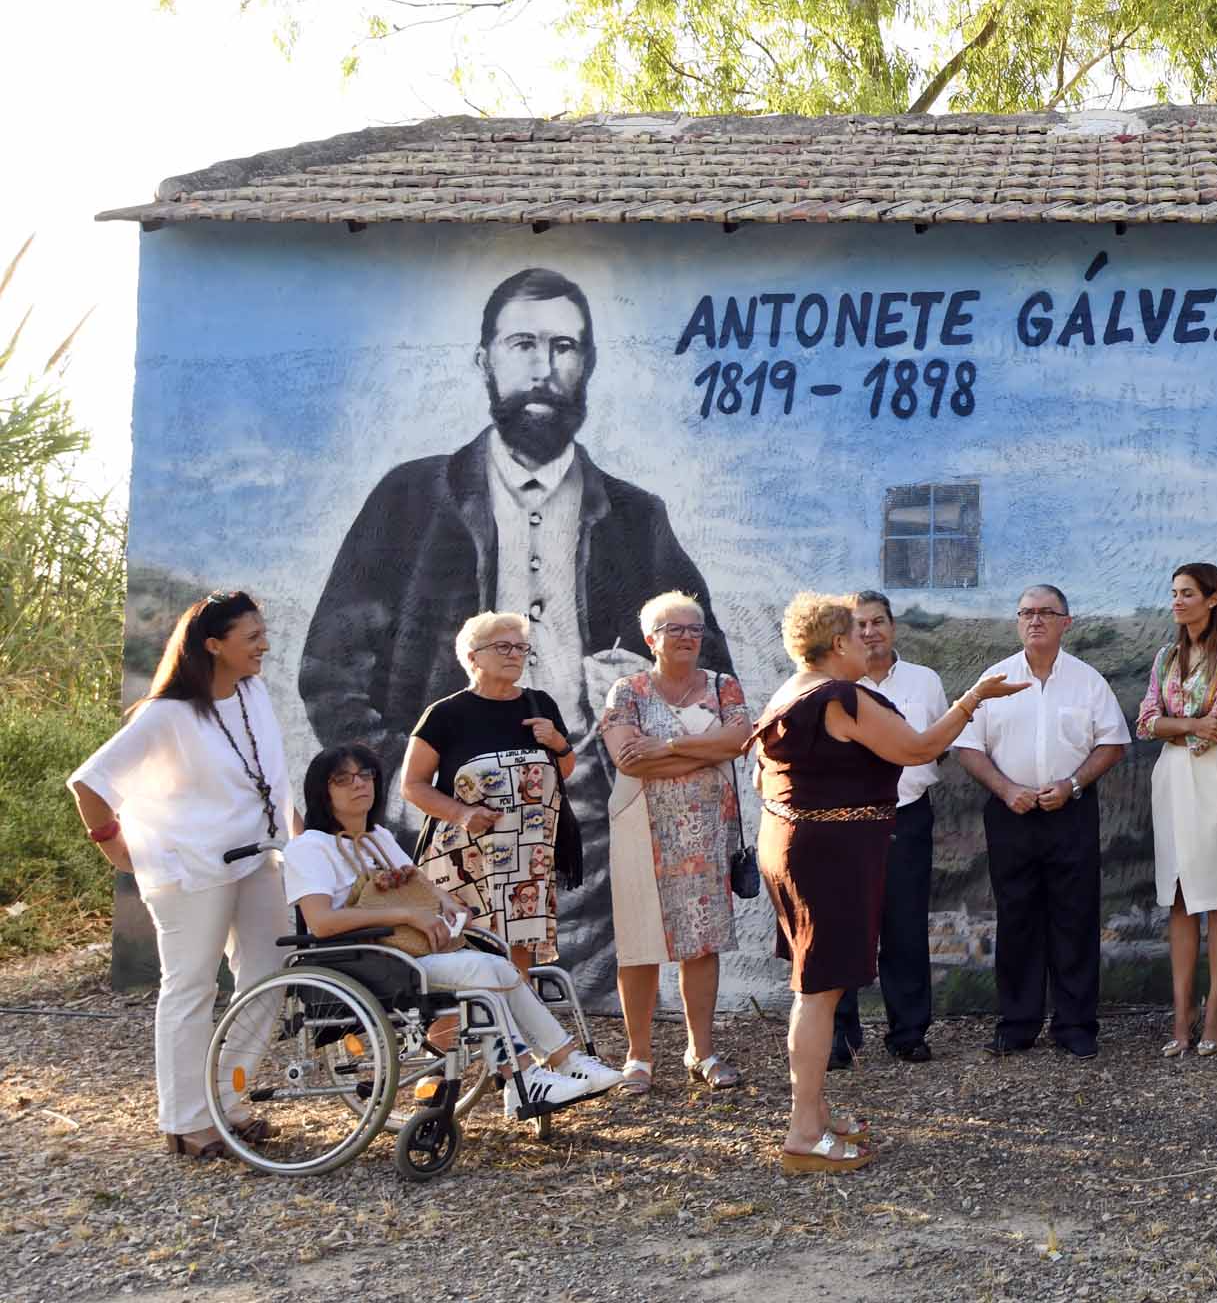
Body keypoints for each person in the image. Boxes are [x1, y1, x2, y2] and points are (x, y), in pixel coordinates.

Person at [301, 265, 732, 993]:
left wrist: (635, 687)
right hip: (451, 822)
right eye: (523, 344)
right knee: (455, 984)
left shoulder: (636, 517)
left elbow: (705, 660)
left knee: (572, 993)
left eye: (565, 347)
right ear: (486, 360)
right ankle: (465, 1087)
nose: (544, 367)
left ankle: (562, 1075)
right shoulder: (412, 497)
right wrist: (405, 792)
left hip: (581, 833)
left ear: (587, 365)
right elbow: (330, 669)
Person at [755, 592, 1018, 1174]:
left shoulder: (790, 690)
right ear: (838, 643)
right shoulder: (840, 696)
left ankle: (816, 1110)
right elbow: (921, 747)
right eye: (856, 632)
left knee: (814, 985)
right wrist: (973, 699)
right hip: (827, 855)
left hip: (792, 844)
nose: (867, 640)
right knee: (818, 991)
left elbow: (762, 778)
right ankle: (803, 1133)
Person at [279, 744, 627, 1117]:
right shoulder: (310, 847)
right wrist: (408, 916)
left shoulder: (378, 838)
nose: (359, 784)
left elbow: (419, 886)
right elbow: (321, 923)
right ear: (322, 790)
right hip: (365, 962)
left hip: (410, 954)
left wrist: (446, 903)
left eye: (366, 775)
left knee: (498, 965)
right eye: (342, 779)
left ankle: (561, 1060)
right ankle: (523, 1077)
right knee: (482, 970)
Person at [67, 592, 295, 1159]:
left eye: (263, 633)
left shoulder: (254, 693)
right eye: (252, 637)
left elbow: (272, 778)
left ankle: (227, 1099)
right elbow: (90, 784)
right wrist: (114, 847)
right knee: (191, 986)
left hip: (256, 858)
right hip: (189, 871)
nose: (264, 644)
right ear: (213, 645)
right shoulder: (166, 714)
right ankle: (186, 1121)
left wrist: (304, 840)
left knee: (270, 972)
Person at [952, 583, 1128, 1059]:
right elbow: (967, 747)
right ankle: (1018, 1023)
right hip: (1011, 813)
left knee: (1075, 918)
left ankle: (1075, 1026)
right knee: (1017, 918)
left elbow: (1113, 742)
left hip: (1070, 811)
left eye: (1046, 613)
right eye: (1027, 612)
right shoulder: (994, 680)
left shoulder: (1088, 681)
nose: (1035, 620)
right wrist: (1006, 789)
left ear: (1065, 623)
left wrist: (1072, 784)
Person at [595, 590, 755, 1095]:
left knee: (701, 943)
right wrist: (705, 755)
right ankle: (638, 1057)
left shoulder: (724, 686)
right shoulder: (628, 690)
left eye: (694, 629)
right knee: (640, 945)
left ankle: (700, 1051)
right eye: (674, 629)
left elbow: (740, 741)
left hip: (705, 832)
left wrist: (667, 746)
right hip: (639, 825)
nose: (687, 637)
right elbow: (627, 759)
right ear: (650, 639)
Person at [402, 611, 576, 973]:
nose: (514, 654)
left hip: (527, 858)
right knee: (458, 959)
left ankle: (510, 1030)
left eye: (520, 647)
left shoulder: (540, 705)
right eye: (502, 647)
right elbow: (412, 785)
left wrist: (558, 743)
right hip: (462, 859)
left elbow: (563, 772)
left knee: (517, 960)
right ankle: (448, 1032)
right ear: (472, 657)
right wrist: (462, 814)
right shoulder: (445, 714)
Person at [1138, 562, 1217, 1058]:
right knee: (1180, 893)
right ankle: (1181, 1012)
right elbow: (1144, 722)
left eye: (1187, 593)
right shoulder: (1166, 657)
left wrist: (1172, 723)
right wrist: (1185, 724)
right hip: (1171, 775)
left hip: (1216, 776)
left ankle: (1216, 1009)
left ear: (1212, 599)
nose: (1177, 601)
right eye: (1173, 593)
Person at [833, 590, 949, 1068]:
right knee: (842, 929)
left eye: (878, 621)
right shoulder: (834, 684)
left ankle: (908, 1033)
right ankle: (841, 1035)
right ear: (844, 634)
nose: (869, 632)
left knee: (904, 927)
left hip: (906, 815)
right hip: (845, 822)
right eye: (859, 624)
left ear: (893, 627)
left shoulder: (924, 681)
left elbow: (939, 743)